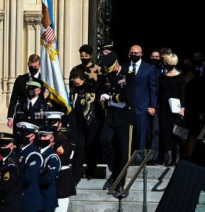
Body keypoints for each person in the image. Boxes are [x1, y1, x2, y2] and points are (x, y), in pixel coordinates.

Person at [99, 50, 136, 193]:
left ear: (116, 65)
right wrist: (102, 95)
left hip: (124, 116)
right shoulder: (107, 76)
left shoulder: (128, 75)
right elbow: (102, 90)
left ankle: (121, 182)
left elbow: (128, 96)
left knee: (123, 151)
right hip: (111, 115)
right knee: (104, 140)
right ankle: (115, 171)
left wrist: (110, 98)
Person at [45, 111, 76, 212]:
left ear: (60, 124)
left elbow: (58, 159)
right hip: (47, 184)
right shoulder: (42, 139)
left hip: (61, 184)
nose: (52, 125)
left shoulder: (62, 141)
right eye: (50, 122)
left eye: (55, 122)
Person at [68, 68, 101, 181]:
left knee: (90, 147)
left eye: (78, 83)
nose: (76, 85)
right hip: (78, 125)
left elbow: (97, 85)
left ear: (83, 80)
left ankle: (91, 171)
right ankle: (75, 176)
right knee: (79, 149)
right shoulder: (73, 90)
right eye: (74, 83)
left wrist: (94, 75)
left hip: (91, 122)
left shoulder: (91, 87)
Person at [127, 44, 158, 162]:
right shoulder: (125, 67)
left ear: (141, 54)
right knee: (129, 132)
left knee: (141, 132)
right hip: (127, 106)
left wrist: (152, 106)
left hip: (142, 106)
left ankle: (139, 157)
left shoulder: (149, 68)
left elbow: (153, 88)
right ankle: (128, 155)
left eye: (136, 53)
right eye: (132, 53)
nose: (134, 55)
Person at [157, 51, 186, 166]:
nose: (168, 65)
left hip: (176, 108)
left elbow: (182, 93)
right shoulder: (162, 77)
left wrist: (182, 108)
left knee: (176, 132)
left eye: (170, 63)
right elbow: (160, 92)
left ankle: (178, 155)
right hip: (164, 108)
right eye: (167, 63)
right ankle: (169, 157)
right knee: (165, 132)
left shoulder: (180, 76)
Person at [7, 54, 43, 130]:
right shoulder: (20, 79)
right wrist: (10, 117)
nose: (33, 69)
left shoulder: (44, 81)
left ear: (39, 66)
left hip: (37, 117)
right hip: (22, 115)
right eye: (31, 67)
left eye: (35, 67)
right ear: (28, 64)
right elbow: (14, 98)